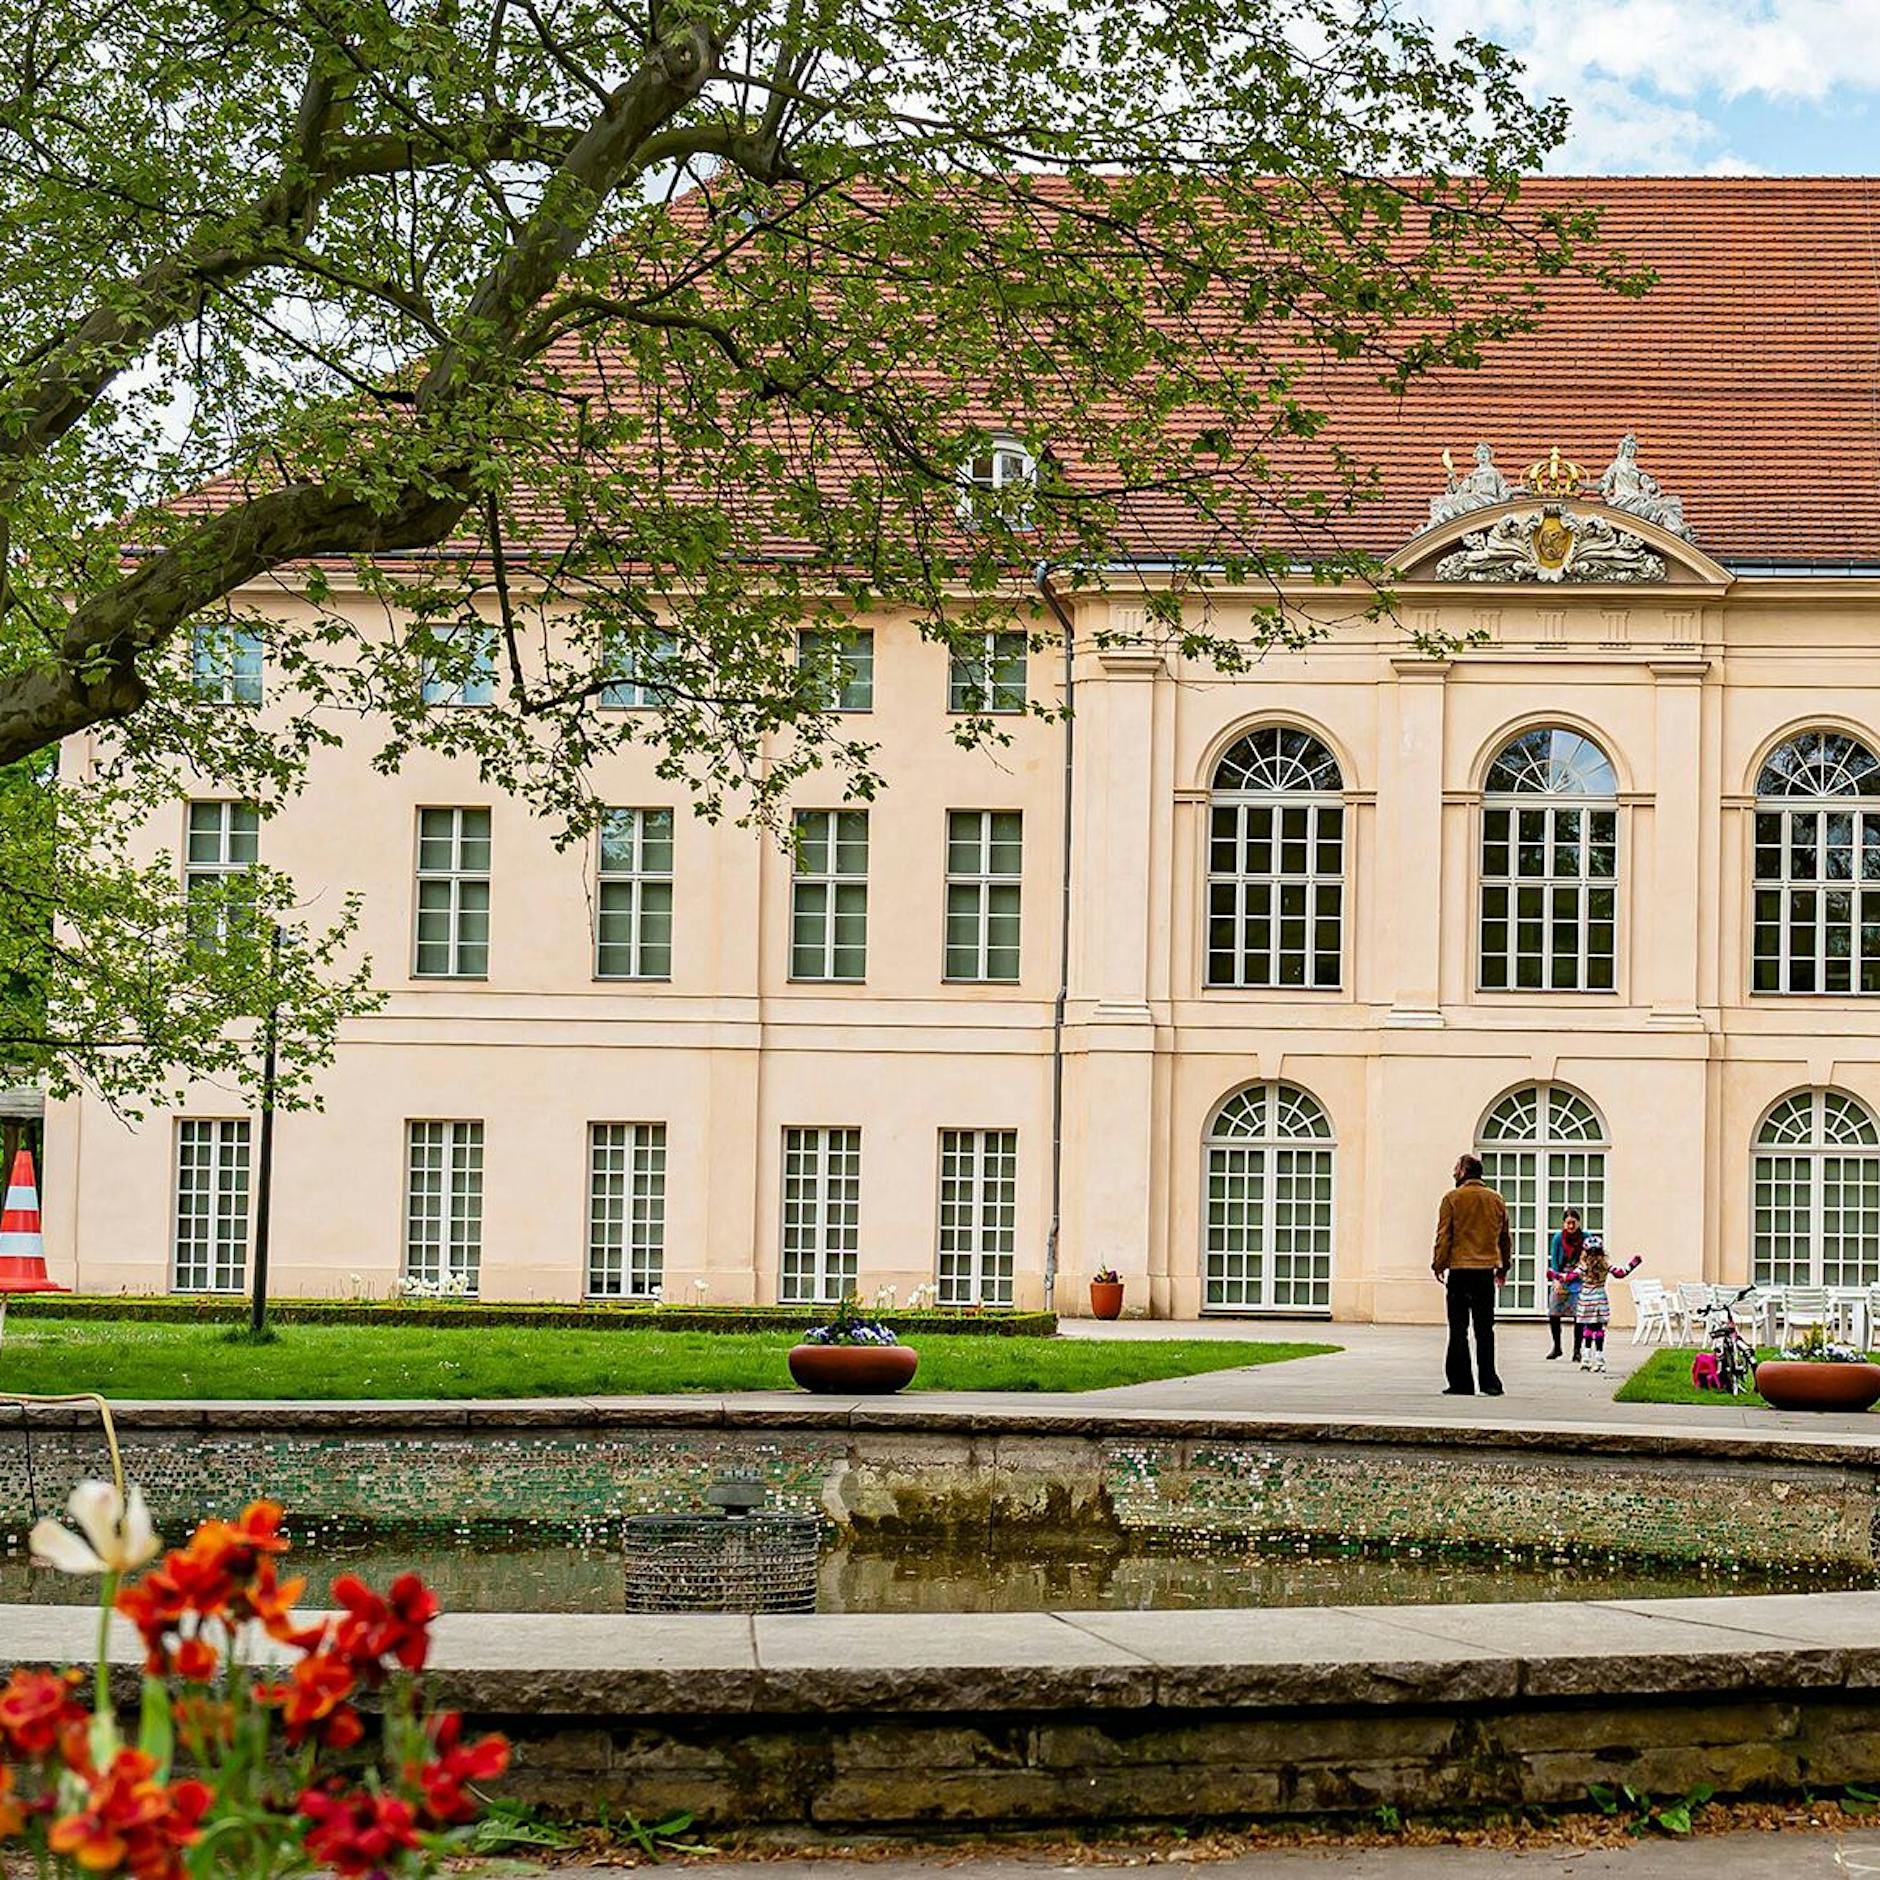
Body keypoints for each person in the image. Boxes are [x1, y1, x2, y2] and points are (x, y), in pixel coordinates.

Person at [1431, 1153, 1513, 1396]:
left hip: (1459, 1270)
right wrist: (1503, 1266)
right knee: (1484, 1329)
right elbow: (1504, 1237)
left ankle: (1461, 1382)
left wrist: (1438, 1264)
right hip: (1485, 1271)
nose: (1453, 1173)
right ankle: (1489, 1381)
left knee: (1458, 1328)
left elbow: (1444, 1235)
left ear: (1465, 1171)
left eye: (1456, 1169)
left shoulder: (1452, 1199)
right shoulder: (1496, 1200)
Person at [1563, 1234, 1642, 1375]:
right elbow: (1620, 1273)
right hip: (1600, 1299)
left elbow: (1569, 1277)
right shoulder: (1605, 1265)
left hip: (1586, 1299)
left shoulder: (1583, 1265)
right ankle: (1599, 1358)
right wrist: (1633, 1263)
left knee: (1587, 1328)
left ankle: (1586, 1358)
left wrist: (1554, 1275)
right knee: (1598, 1329)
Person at [1545, 1207, 1587, 1362]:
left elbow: (1586, 1261)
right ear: (1563, 1223)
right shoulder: (1558, 1238)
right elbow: (1554, 1260)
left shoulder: (1585, 1237)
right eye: (1568, 1223)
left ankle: (1577, 1350)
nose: (1571, 1226)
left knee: (1579, 1316)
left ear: (1578, 1222)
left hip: (1578, 1279)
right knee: (1554, 1312)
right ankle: (1557, 1347)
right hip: (1561, 1278)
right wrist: (1556, 1280)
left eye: (1573, 1223)